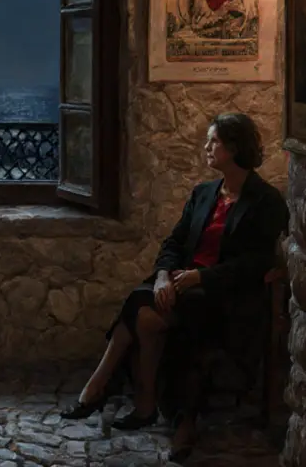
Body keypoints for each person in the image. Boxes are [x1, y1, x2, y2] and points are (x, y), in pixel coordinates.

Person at [61, 112, 288, 461]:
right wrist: (166, 275)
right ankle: (147, 404)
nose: (206, 147)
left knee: (151, 314)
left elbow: (255, 262)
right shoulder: (203, 193)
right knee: (145, 309)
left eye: (213, 141)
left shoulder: (266, 200)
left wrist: (201, 277)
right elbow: (174, 242)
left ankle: (110, 392)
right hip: (182, 281)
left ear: (233, 148)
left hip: (224, 294)